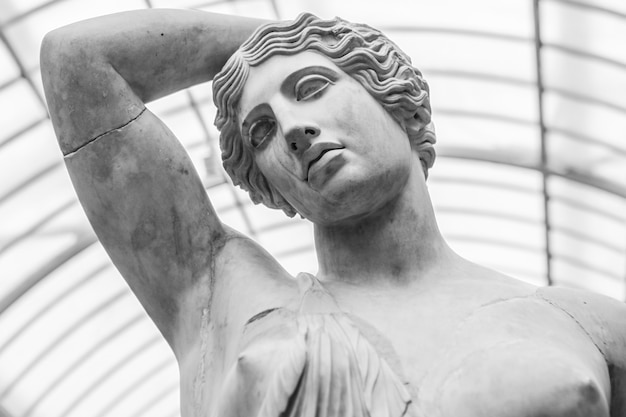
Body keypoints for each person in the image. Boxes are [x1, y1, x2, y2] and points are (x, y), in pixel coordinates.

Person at [40, 8, 625, 417]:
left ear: (395, 97)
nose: (293, 130)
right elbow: (78, 64)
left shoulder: (584, 322)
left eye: (313, 84)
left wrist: (326, 37)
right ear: (268, 185)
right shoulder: (222, 293)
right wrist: (283, 38)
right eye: (262, 130)